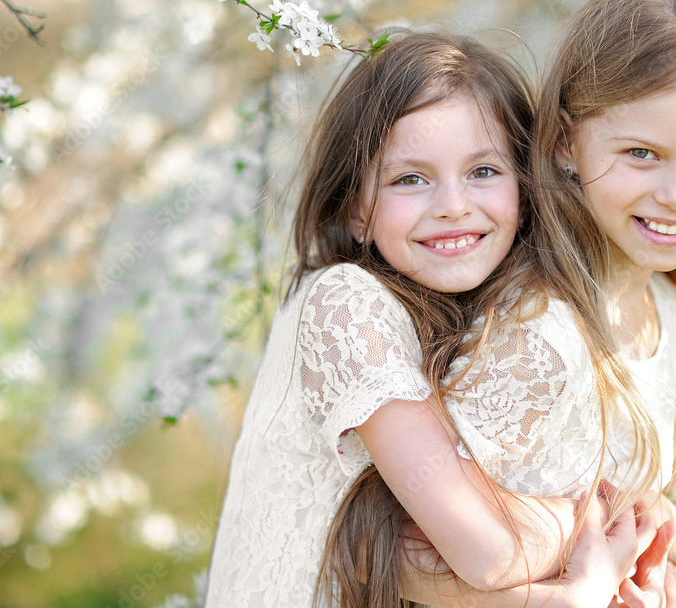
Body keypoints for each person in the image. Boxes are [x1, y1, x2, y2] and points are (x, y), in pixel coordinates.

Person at [320, 0, 676, 608]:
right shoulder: (539, 335)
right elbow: (390, 545)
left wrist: (649, 535)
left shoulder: (667, 310)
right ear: (564, 145)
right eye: (642, 152)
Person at [204, 31, 653, 608]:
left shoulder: (491, 313)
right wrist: (604, 521)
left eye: (484, 171)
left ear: (524, 183)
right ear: (357, 210)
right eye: (409, 179)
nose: (452, 204)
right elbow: (488, 549)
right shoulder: (343, 303)